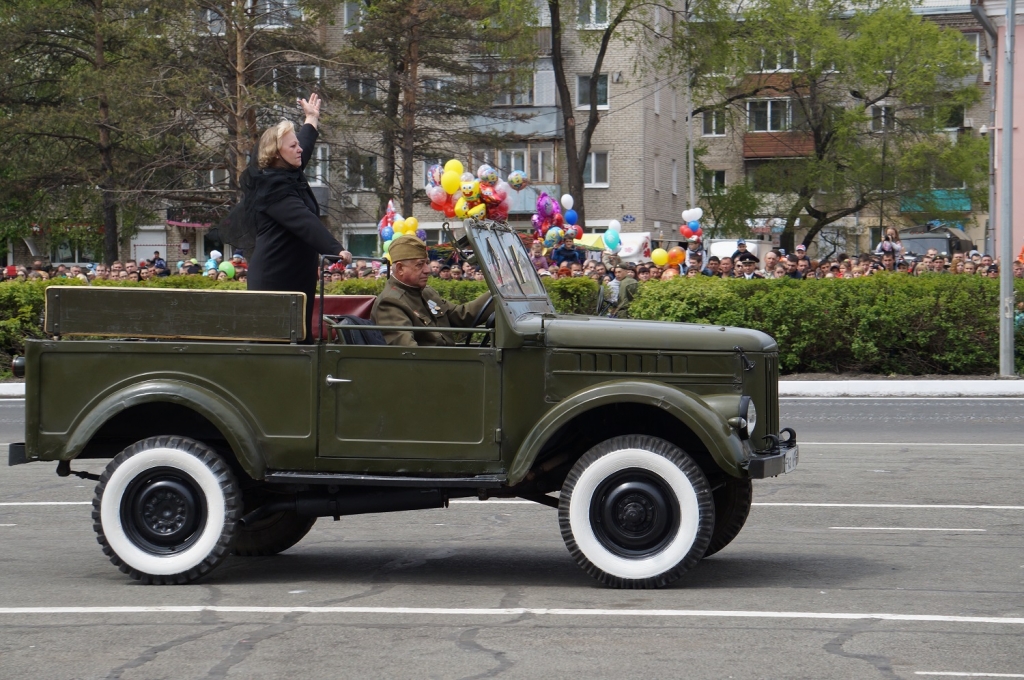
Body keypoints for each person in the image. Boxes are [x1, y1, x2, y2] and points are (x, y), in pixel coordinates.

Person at [243, 93, 352, 342]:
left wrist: (311, 119)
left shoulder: (289, 170)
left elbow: (305, 144)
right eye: (292, 147)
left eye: (296, 144)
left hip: (295, 273)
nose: (299, 149)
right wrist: (337, 249)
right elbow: (305, 222)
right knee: (279, 343)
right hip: (276, 277)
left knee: (299, 340)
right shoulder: (272, 188)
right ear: (276, 154)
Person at [371, 235, 492, 346]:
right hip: (434, 366)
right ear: (400, 268)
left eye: (427, 263)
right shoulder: (390, 302)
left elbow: (462, 316)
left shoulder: (426, 292)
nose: (427, 270)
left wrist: (496, 294)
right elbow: (408, 353)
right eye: (420, 264)